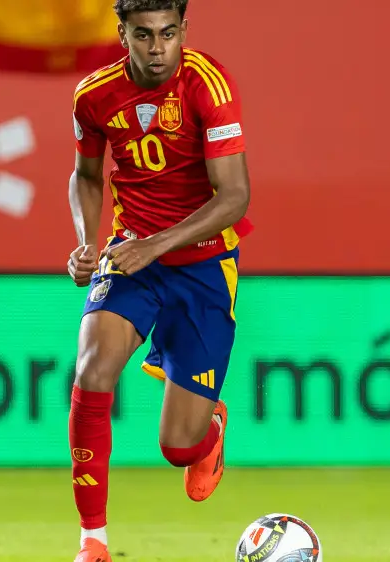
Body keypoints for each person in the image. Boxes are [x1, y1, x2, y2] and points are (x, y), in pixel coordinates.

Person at [66, 0, 252, 560]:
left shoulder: (208, 85)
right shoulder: (93, 96)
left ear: (183, 31)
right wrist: (88, 240)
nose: (156, 48)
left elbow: (235, 197)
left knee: (177, 448)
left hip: (203, 268)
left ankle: (207, 432)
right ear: (122, 34)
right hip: (130, 256)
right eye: (143, 34)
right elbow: (85, 176)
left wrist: (157, 244)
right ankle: (93, 541)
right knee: (92, 369)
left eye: (168, 33)